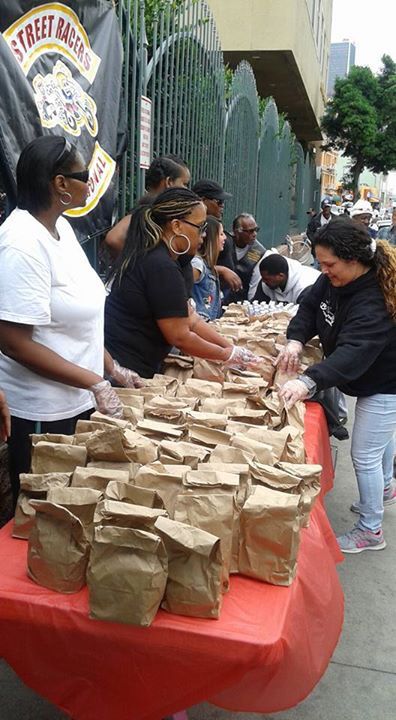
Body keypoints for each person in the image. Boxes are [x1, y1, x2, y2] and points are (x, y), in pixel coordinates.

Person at [0, 136, 143, 507]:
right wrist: (94, 381)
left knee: (70, 510)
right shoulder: (21, 243)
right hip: (42, 414)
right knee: (42, 513)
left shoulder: (60, 231)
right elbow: (14, 341)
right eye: (83, 175)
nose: (90, 183)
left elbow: (79, 320)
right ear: (60, 184)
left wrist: (111, 368)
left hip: (77, 400)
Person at [276, 217, 396, 554]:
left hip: (386, 382)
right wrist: (296, 341)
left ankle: (371, 529)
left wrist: (307, 381)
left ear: (353, 260)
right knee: (378, 441)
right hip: (368, 377)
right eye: (320, 263)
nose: (323, 270)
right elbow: (310, 307)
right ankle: (385, 487)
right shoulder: (333, 281)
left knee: (365, 454)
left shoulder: (373, 300)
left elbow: (352, 354)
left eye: (329, 264)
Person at [105, 188, 260, 378]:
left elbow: (191, 318)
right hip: (124, 368)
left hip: (129, 363)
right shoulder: (160, 265)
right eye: (200, 227)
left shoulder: (160, 258)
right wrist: (226, 355)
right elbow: (180, 336)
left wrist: (230, 347)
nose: (203, 235)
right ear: (177, 226)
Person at [104, 155, 191, 260]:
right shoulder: (149, 207)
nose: (187, 190)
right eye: (184, 184)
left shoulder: (152, 206)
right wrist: (139, 264)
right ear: (169, 182)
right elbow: (113, 239)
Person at [192, 179, 242, 295]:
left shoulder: (215, 224)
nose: (222, 205)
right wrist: (220, 270)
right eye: (218, 201)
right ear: (202, 200)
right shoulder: (194, 232)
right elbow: (192, 265)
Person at [225, 213, 266, 302]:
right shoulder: (224, 244)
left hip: (242, 298)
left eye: (256, 230)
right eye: (250, 231)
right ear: (236, 232)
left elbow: (254, 284)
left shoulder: (259, 251)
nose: (254, 234)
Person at [191, 215, 225, 321]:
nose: (225, 238)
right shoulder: (197, 265)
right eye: (221, 234)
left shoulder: (208, 267)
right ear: (211, 238)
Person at [251, 254, 320, 304]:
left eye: (266, 279)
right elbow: (256, 305)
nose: (263, 281)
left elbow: (306, 317)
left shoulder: (304, 287)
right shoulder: (266, 283)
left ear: (281, 276)